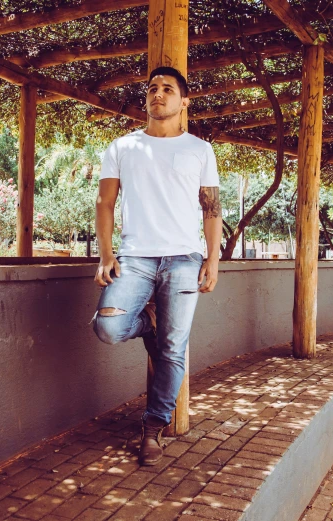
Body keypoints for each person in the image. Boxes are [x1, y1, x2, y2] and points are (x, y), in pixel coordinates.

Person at [92, 66, 222, 466]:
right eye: (152, 88)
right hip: (134, 257)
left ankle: (153, 427)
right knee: (109, 326)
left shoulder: (200, 150)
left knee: (172, 348)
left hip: (184, 258)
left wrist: (213, 259)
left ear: (184, 101)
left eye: (167, 89)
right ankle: (147, 321)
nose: (157, 94)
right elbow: (105, 204)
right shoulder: (122, 147)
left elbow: (211, 209)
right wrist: (106, 253)